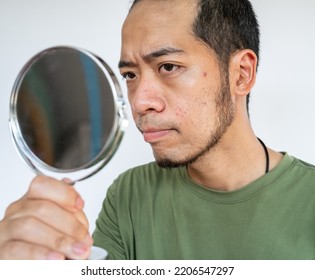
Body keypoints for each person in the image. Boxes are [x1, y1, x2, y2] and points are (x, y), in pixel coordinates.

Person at [1, 0, 315, 260]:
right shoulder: (128, 195)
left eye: (168, 67)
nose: (139, 102)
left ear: (241, 75)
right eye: (130, 74)